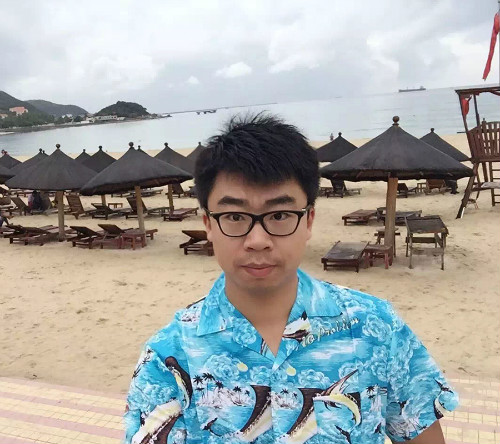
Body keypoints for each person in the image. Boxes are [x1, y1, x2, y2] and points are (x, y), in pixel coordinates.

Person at [124, 114, 458, 444]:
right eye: (235, 216)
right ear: (209, 224)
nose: (257, 240)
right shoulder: (169, 357)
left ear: (309, 220)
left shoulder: (377, 328)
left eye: (280, 215)